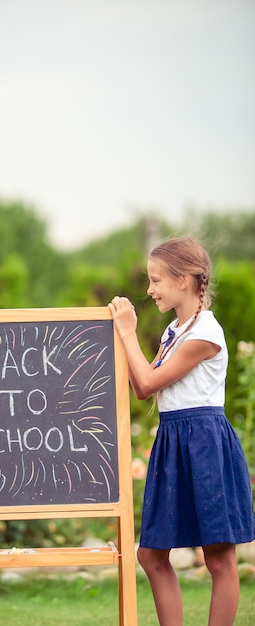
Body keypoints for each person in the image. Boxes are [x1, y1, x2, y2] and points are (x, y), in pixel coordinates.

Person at [108, 236, 255, 626]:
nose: (149, 289)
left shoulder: (205, 334)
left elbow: (147, 383)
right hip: (173, 440)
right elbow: (142, 387)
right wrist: (121, 337)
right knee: (151, 554)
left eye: (156, 280)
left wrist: (126, 331)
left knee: (219, 557)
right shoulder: (174, 331)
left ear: (185, 280)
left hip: (205, 442)